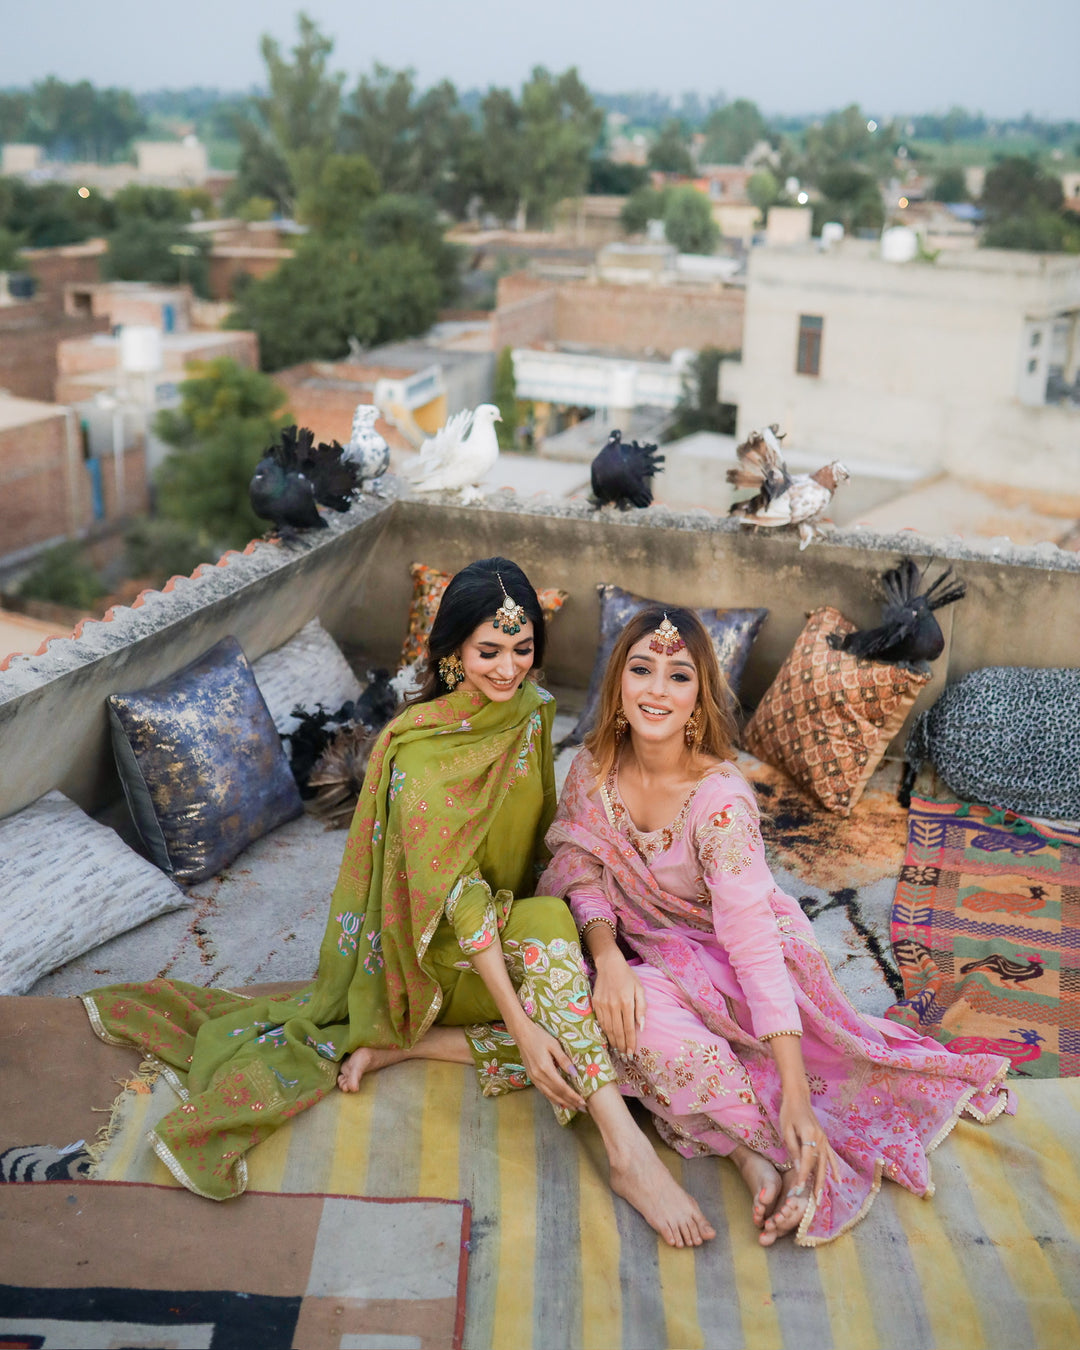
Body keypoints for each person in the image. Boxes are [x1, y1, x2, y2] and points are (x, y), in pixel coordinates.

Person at [83, 559, 714, 1248]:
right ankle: (626, 1152)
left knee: (610, 1007)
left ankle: (412, 1051)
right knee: (556, 992)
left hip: (509, 928)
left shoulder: (534, 715)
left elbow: (542, 843)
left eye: (524, 648)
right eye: (489, 651)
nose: (509, 669)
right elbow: (460, 898)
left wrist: (591, 953)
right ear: (452, 656)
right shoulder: (416, 751)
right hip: (433, 953)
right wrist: (528, 1019)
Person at [539, 606, 1014, 1247]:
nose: (656, 689)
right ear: (618, 682)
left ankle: (791, 1149)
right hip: (645, 955)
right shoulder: (590, 773)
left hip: (741, 961)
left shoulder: (719, 801)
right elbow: (578, 863)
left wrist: (795, 1094)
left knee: (771, 1074)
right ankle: (747, 1153)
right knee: (622, 1018)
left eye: (678, 676)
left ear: (699, 696)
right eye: (641, 669)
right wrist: (609, 956)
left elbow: (752, 943)